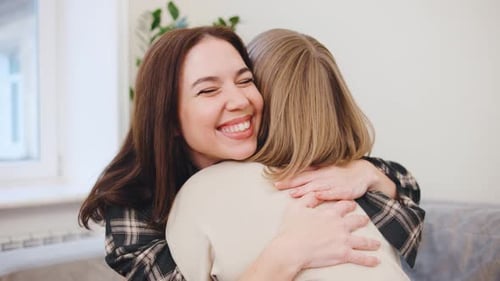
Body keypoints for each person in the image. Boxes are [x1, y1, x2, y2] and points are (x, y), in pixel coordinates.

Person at [78, 26, 423, 281]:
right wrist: (288, 253)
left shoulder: (284, 164)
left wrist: (367, 173)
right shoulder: (137, 209)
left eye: (245, 81)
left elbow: (406, 191)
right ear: (170, 120)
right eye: (209, 90)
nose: (240, 101)